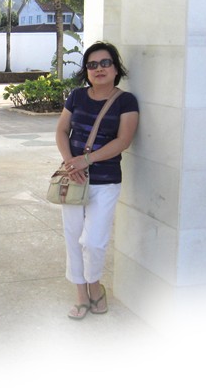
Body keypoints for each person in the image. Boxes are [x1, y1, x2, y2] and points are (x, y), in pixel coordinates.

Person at [55, 41, 139, 320]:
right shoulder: (77, 96)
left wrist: (86, 160)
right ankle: (81, 294)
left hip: (105, 181)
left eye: (105, 63)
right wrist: (71, 162)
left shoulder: (126, 101)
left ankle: (94, 285)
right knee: (72, 237)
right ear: (86, 71)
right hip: (74, 178)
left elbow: (123, 140)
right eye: (92, 65)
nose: (99, 69)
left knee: (93, 241)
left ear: (116, 68)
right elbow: (61, 130)